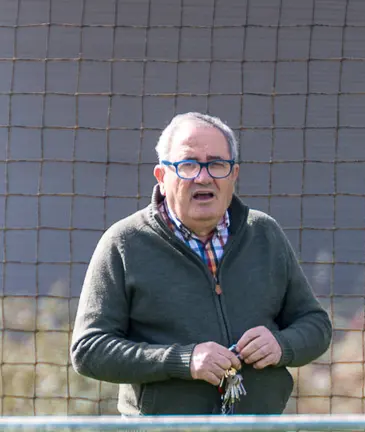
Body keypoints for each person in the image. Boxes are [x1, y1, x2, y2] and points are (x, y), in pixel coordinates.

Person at [70, 112, 332, 415]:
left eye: (217, 164)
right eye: (188, 164)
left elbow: (316, 325)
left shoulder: (265, 234)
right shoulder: (124, 243)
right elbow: (89, 350)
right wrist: (183, 360)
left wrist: (281, 344)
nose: (203, 176)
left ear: (234, 175)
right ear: (162, 177)